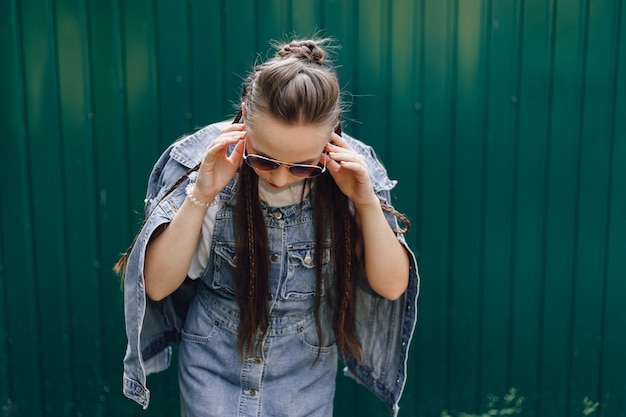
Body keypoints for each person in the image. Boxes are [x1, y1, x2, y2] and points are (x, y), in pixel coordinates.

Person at [116, 38, 420, 417]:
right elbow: (157, 285)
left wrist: (364, 201)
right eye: (264, 159)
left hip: (305, 370)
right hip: (213, 362)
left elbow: (391, 285)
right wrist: (204, 192)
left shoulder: (351, 171)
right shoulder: (204, 162)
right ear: (244, 117)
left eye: (303, 166)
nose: (280, 178)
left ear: (330, 139)